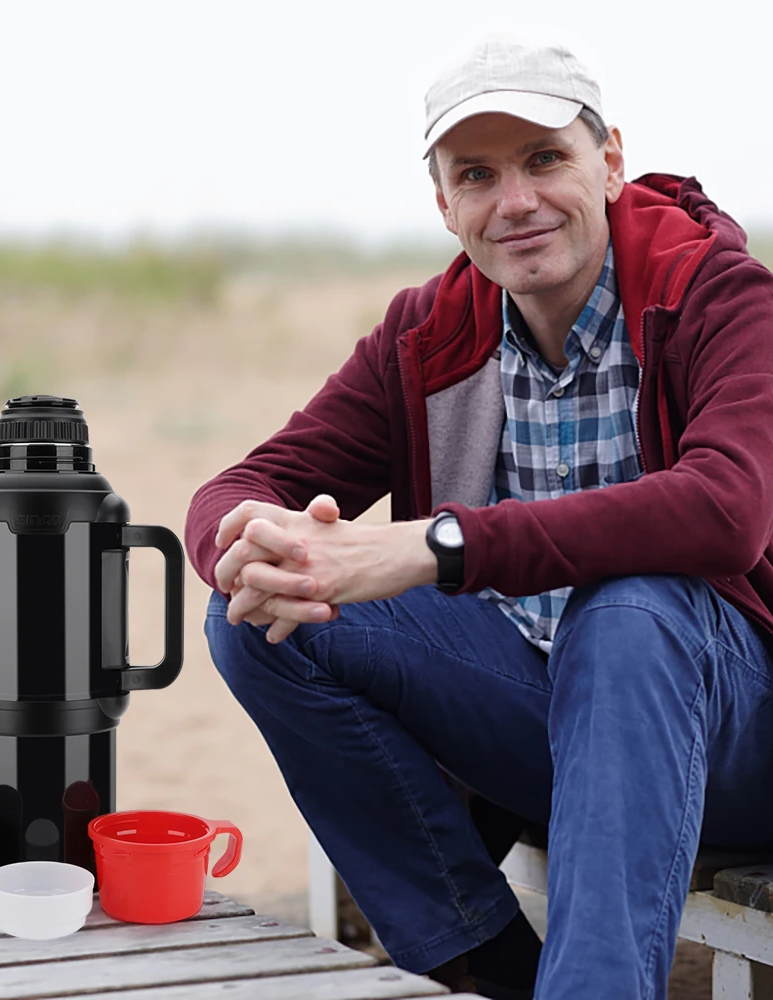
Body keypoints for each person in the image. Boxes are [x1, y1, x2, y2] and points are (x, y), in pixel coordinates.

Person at [184, 36, 773, 1000]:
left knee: (630, 607)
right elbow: (247, 482)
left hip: (733, 736)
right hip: (543, 726)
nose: (517, 201)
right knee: (261, 611)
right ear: (445, 204)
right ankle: (487, 966)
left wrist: (436, 546)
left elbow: (726, 512)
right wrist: (245, 547)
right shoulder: (429, 331)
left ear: (610, 161)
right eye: (478, 175)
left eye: (546, 160)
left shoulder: (713, 294)